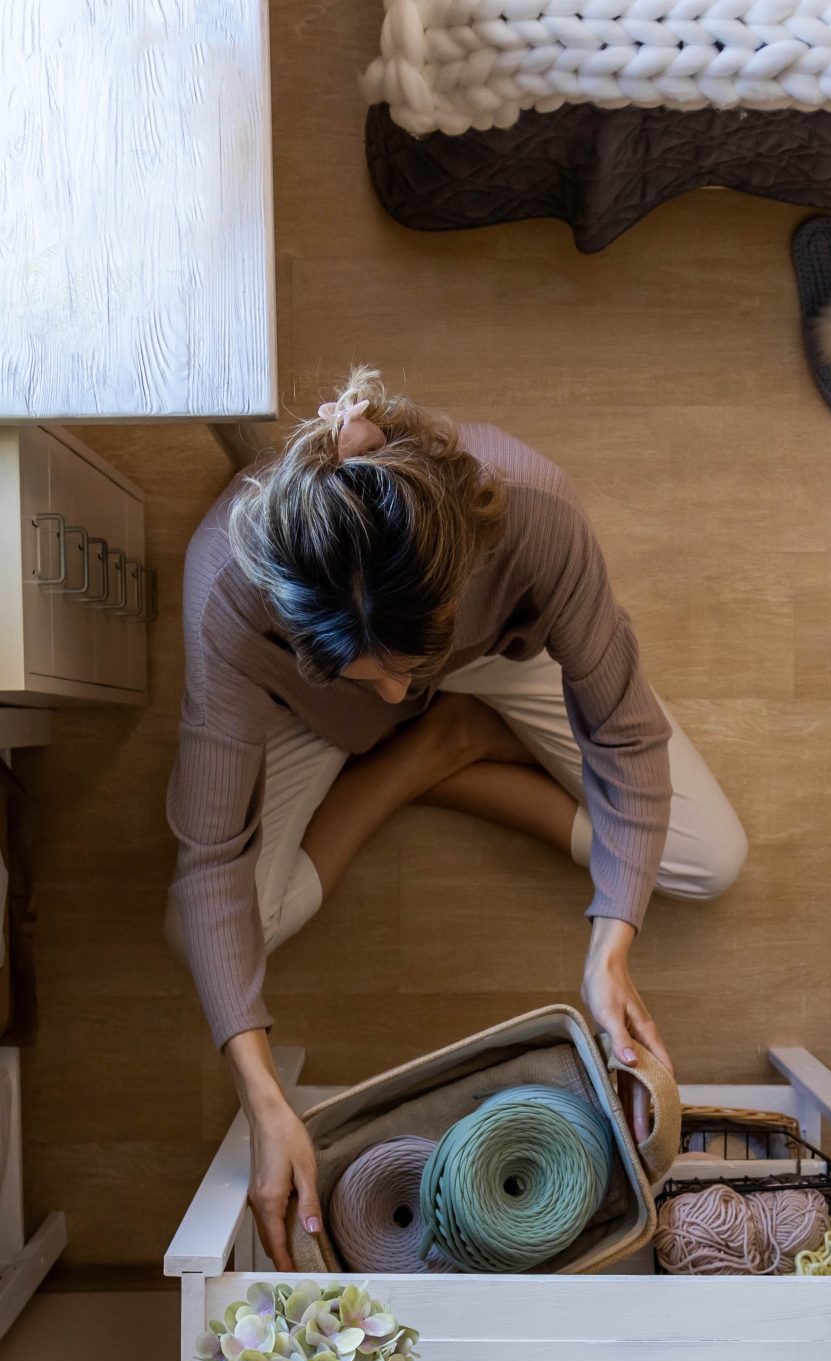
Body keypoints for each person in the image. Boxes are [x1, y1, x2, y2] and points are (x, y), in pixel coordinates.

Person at [166, 368, 748, 1268]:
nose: (398, 691)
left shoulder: (534, 510)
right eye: (377, 675)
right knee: (214, 926)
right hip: (310, 710)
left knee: (710, 858)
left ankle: (446, 736)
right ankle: (424, 758)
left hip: (481, 662)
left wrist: (610, 944)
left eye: (404, 666)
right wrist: (262, 1095)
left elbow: (628, 737)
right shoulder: (226, 596)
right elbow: (208, 859)